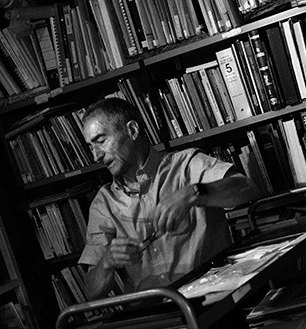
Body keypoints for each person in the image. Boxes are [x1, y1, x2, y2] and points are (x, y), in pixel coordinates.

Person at [78, 97, 260, 300]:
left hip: (210, 299)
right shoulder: (103, 202)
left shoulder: (186, 165)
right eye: (90, 147)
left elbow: (247, 188)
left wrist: (194, 193)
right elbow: (92, 292)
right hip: (154, 317)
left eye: (101, 141)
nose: (96, 156)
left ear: (132, 131)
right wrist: (106, 262)